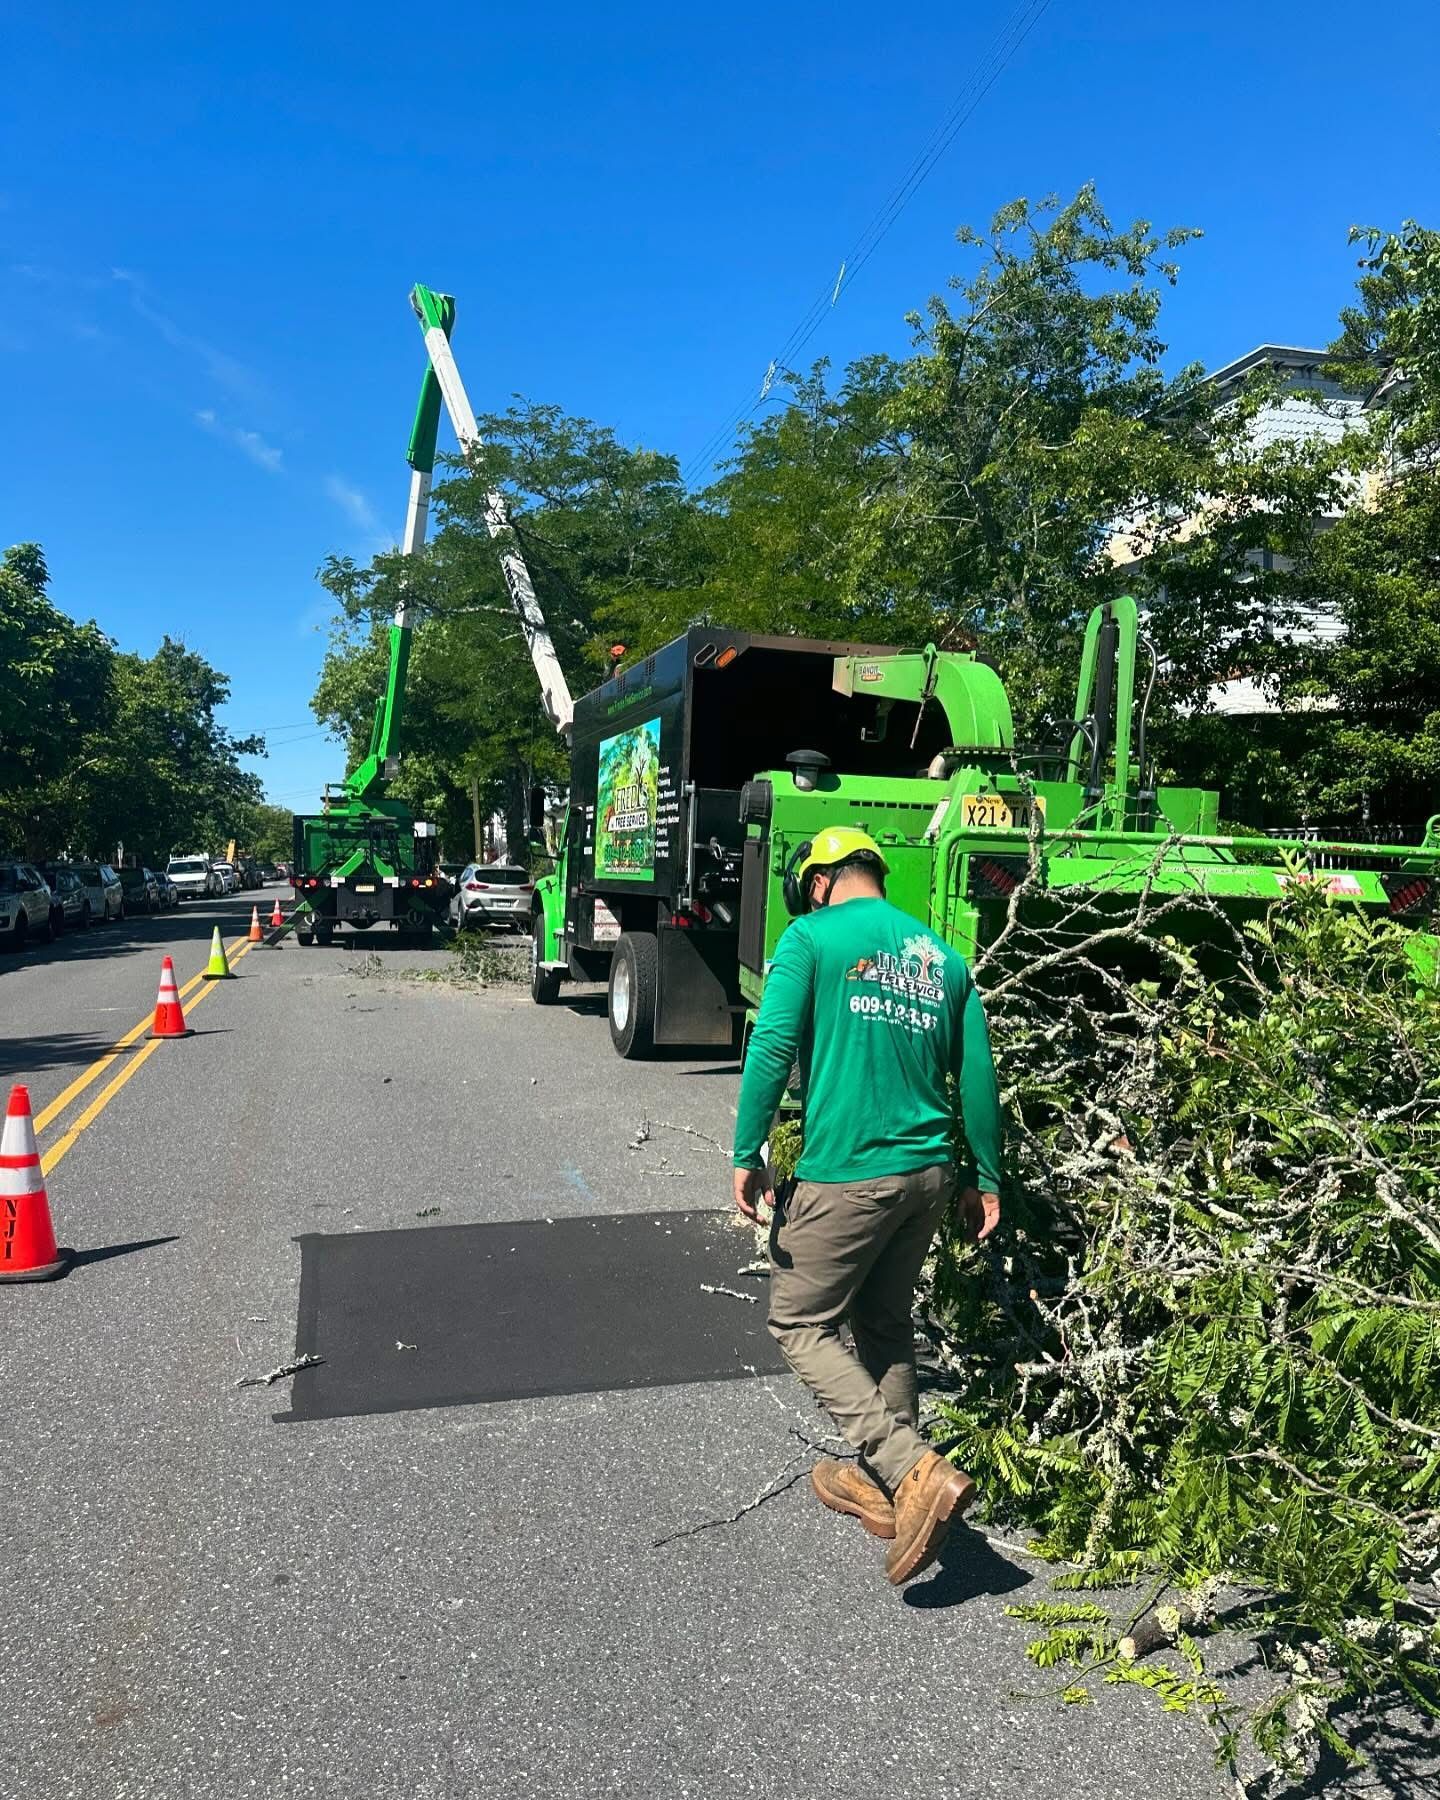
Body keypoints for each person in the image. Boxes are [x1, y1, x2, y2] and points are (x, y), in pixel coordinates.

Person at [732, 826, 1003, 1585]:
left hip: (848, 1171)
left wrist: (746, 1149)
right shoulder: (941, 959)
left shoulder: (810, 938)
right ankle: (891, 1493)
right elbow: (976, 1078)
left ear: (818, 883)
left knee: (798, 1320)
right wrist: (987, 1175)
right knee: (883, 1321)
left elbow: (772, 1044)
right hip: (927, 1177)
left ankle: (912, 1469)